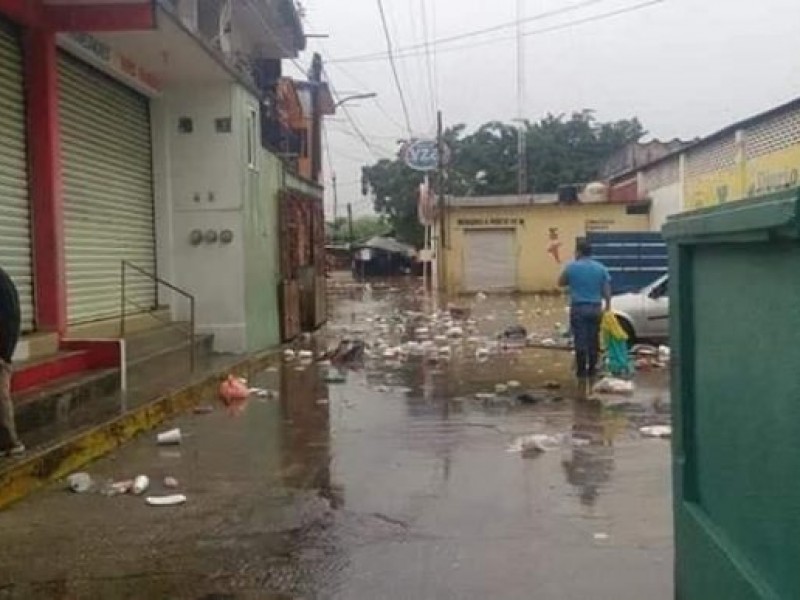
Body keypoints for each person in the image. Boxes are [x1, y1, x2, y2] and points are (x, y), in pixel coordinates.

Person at [558, 241, 611, 390]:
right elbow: (606, 289)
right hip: (595, 308)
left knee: (580, 340)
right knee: (593, 339)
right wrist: (607, 307)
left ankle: (581, 373)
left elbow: (560, 282)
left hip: (579, 308)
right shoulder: (601, 268)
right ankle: (592, 370)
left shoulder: (572, 267)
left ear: (579, 252)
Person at [0, 266, 24, 457]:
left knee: (0, 398)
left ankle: (10, 443)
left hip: (0, 351)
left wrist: (4, 353)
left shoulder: (2, 283)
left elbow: (11, 319)